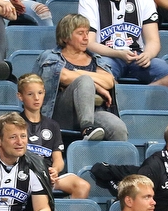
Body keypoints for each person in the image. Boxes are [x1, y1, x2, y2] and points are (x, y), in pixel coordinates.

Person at [34, 14, 129, 142]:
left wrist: (78, 72)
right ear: (65, 37)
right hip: (61, 113)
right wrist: (95, 84)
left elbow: (108, 81)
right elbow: (65, 77)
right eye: (80, 33)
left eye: (87, 32)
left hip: (94, 111)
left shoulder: (96, 59)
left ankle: (115, 162)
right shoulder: (51, 56)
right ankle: (87, 128)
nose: (86, 38)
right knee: (84, 81)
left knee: (117, 127)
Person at [78, 0, 168, 87]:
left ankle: (139, 100)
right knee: (103, 79)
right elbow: (90, 43)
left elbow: (153, 40)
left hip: (137, 55)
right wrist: (119, 53)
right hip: (106, 56)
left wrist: (148, 54)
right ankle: (122, 100)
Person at [17, 74, 91, 199]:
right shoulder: (15, 123)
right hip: (22, 174)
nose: (36, 98)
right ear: (20, 96)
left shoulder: (53, 125)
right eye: (30, 94)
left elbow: (58, 159)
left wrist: (55, 170)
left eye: (40, 93)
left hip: (48, 176)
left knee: (82, 186)